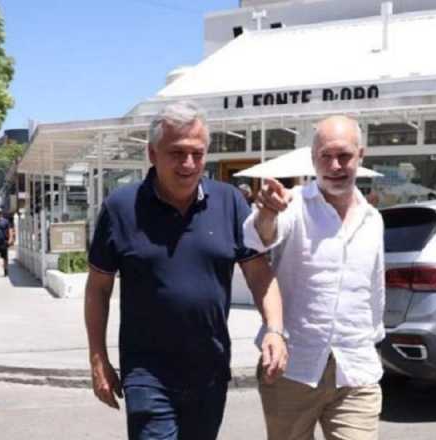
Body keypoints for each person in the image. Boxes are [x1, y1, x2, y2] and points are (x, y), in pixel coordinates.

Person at [84, 101, 286, 440]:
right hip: (147, 372)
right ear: (152, 153)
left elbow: (259, 274)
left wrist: (275, 330)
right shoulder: (121, 207)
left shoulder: (230, 202)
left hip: (210, 369)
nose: (188, 163)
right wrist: (97, 357)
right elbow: (98, 288)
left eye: (197, 153)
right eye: (177, 153)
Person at [246, 115, 386, 440]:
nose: (335, 165)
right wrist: (267, 212)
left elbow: (375, 288)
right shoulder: (293, 206)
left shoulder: (373, 219)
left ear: (360, 155)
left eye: (344, 156)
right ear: (313, 158)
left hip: (356, 369)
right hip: (291, 369)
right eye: (326, 156)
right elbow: (261, 237)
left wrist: (373, 342)